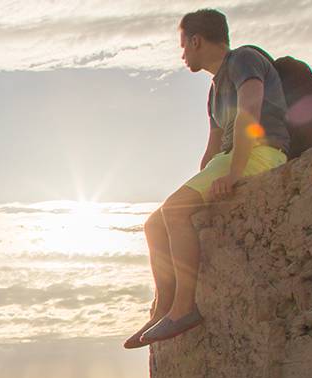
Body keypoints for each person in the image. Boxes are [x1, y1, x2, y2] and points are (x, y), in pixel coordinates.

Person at [124, 9, 290, 349]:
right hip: (231, 158)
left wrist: (233, 172)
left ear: (196, 40)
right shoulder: (214, 89)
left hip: (262, 152)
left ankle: (184, 308)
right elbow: (212, 150)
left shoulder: (244, 59)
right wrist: (206, 178)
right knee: (155, 224)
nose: (183, 54)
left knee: (174, 212)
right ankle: (163, 308)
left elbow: (250, 113)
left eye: (183, 45)